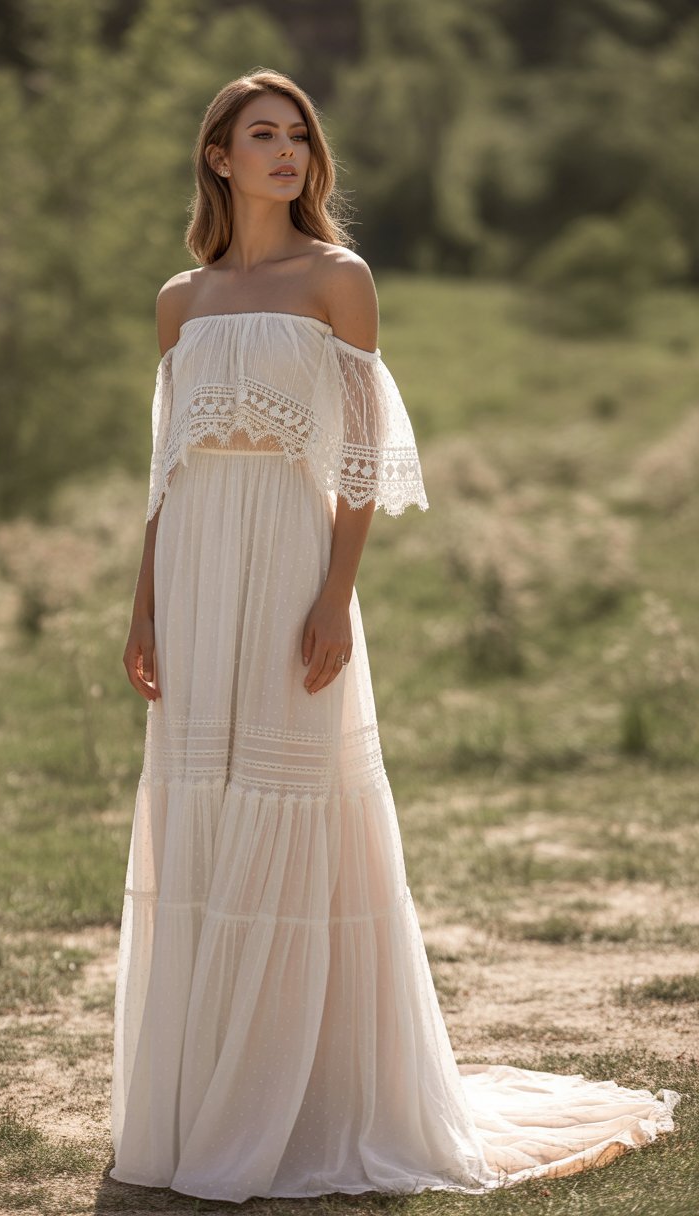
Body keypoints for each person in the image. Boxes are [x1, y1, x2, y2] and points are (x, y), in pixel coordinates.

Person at [109, 69, 678, 1204]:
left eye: (297, 135)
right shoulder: (181, 298)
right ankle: (199, 1093)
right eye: (260, 135)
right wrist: (143, 604)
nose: (286, 152)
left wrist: (333, 596)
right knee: (200, 811)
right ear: (217, 158)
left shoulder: (340, 279)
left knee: (296, 803)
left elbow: (360, 466)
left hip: (288, 566)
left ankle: (306, 1099)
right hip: (194, 570)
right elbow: (166, 476)